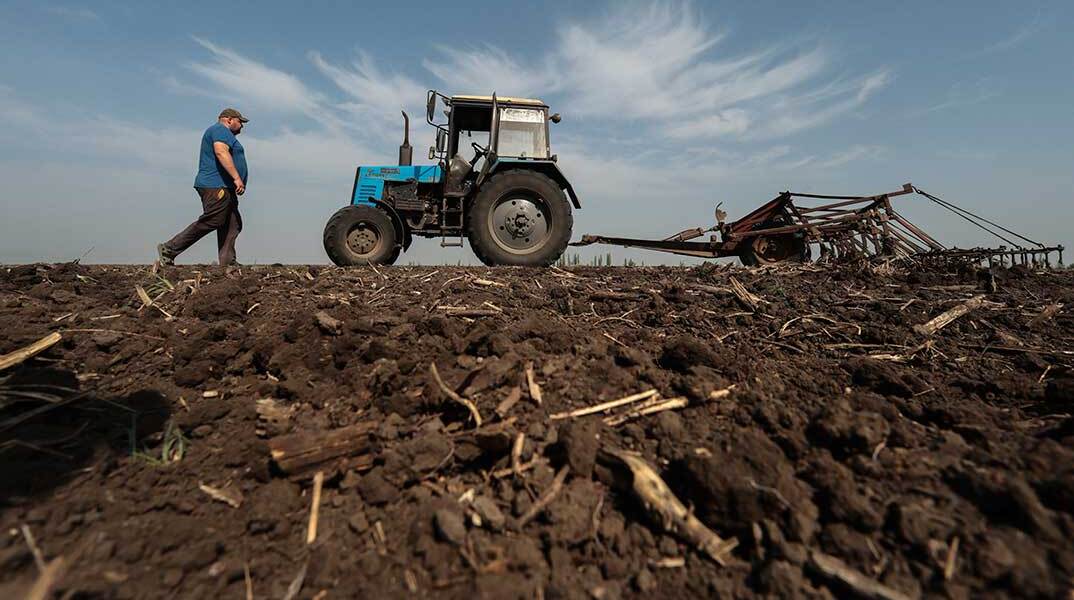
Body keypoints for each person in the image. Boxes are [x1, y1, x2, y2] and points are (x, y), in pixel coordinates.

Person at [157, 108, 249, 266]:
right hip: (215, 185)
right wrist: (236, 177)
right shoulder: (220, 130)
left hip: (224, 186)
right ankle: (169, 248)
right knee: (214, 219)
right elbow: (221, 152)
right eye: (240, 122)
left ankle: (228, 262)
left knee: (233, 223)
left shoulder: (223, 133)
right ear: (229, 120)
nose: (242, 126)